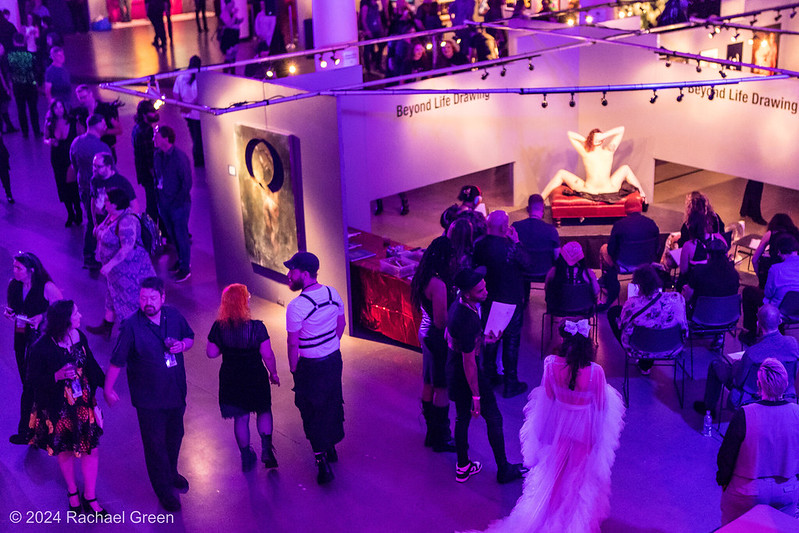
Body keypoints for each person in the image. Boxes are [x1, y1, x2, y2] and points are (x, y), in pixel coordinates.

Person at [477, 320, 625, 532]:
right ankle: (571, 519)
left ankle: (550, 509)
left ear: (564, 340)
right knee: (578, 474)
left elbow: (546, 399)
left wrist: (541, 432)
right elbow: (601, 407)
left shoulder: (551, 364)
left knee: (556, 472)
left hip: (560, 426)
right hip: (584, 429)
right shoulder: (596, 372)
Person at [105, 276, 194, 512]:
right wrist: (108, 389)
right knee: (155, 445)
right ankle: (163, 490)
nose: (148, 302)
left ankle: (171, 473)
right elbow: (117, 361)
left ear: (163, 297)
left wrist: (183, 345)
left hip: (175, 392)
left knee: (175, 437)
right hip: (149, 400)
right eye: (143, 298)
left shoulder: (173, 315)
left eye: (153, 298)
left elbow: (190, 337)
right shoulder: (131, 326)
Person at [445, 267, 527, 484]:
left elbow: (450, 336)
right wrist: (476, 395)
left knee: (461, 418)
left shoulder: (458, 303)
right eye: (480, 290)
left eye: (485, 287)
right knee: (494, 417)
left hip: (453, 369)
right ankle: (503, 469)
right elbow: (469, 362)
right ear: (468, 293)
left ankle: (463, 467)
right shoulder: (467, 319)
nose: (486, 292)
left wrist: (482, 339)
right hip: (466, 375)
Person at [26, 300, 107, 515]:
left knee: (92, 448)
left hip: (83, 402)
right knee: (66, 450)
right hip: (59, 407)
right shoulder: (41, 347)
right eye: (76, 313)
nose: (80, 315)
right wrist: (56, 376)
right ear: (64, 320)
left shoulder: (78, 336)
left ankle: (90, 496)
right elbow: (32, 380)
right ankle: (72, 491)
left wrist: (104, 390)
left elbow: (90, 365)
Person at [284, 252, 346, 484]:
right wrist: (330, 344)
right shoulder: (332, 293)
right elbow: (341, 324)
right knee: (332, 402)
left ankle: (322, 461)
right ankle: (330, 447)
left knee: (310, 410)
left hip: (310, 366)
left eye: (293, 271)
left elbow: (293, 343)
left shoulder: (297, 306)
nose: (289, 275)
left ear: (305, 274)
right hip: (333, 360)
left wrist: (293, 369)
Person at [716, 358, 799, 524]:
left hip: (748, 490)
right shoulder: (797, 413)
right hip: (787, 489)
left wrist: (723, 480)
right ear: (786, 383)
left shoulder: (744, 414)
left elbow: (726, 455)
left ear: (759, 385)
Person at [207, 284, 280, 471]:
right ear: (242, 302)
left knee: (241, 417)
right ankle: (267, 451)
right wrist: (273, 373)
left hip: (231, 378)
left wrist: (227, 347)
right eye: (247, 296)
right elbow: (268, 354)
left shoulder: (219, 327)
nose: (249, 298)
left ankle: (246, 456)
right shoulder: (257, 328)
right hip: (255, 376)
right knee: (263, 410)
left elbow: (211, 353)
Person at [694, 305, 799, 417]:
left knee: (715, 365)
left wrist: (737, 366)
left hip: (753, 398)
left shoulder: (752, 353)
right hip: (783, 394)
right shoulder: (793, 344)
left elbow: (738, 382)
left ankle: (708, 409)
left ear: (758, 324)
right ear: (780, 321)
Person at [5, 252, 62, 444]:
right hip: (21, 337)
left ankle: (27, 431)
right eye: (14, 267)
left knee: (30, 386)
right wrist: (10, 312)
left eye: (18, 268)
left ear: (31, 270)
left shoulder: (46, 287)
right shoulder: (14, 285)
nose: (14, 271)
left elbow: (61, 310)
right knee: (28, 384)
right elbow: (14, 307)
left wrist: (43, 316)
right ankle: (36, 429)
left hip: (40, 342)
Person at [472, 210, 528, 397]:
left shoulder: (479, 245)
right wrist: (517, 242)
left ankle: (489, 378)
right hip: (511, 300)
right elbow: (528, 264)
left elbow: (475, 268)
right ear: (505, 227)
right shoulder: (511, 246)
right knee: (511, 342)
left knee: (490, 338)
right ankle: (510, 383)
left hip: (489, 298)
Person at [88, 188, 155, 339]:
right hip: (116, 273)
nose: (104, 203)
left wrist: (109, 266)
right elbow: (100, 231)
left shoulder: (127, 221)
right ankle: (107, 327)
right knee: (112, 295)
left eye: (107, 201)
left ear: (115, 204)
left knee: (128, 302)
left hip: (129, 271)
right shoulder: (112, 215)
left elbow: (126, 248)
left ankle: (136, 336)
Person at [410, 236, 456, 452]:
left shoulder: (423, 275)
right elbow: (441, 321)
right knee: (442, 387)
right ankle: (441, 436)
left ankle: (431, 432)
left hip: (425, 333)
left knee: (429, 381)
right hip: (437, 338)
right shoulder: (438, 284)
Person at [608, 265, 688, 374]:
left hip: (639, 350)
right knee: (655, 327)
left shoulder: (632, 304)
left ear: (638, 285)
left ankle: (644, 363)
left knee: (613, 312)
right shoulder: (677, 298)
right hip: (672, 347)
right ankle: (646, 364)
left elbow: (622, 326)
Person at [540, 127, 646, 203]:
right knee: (561, 173)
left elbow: (621, 129)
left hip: (600, 189)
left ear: (603, 139)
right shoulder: (587, 152)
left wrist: (602, 136)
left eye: (600, 137)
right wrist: (589, 140)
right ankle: (540, 200)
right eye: (595, 137)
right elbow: (570, 134)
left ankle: (642, 195)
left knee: (625, 168)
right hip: (595, 190)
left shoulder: (608, 150)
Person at [599, 196, 660, 306]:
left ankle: (608, 283)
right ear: (640, 208)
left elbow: (611, 250)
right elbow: (657, 247)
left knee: (604, 248)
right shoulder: (651, 223)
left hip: (623, 265)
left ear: (626, 209)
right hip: (646, 263)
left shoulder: (619, 225)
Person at [69, 114, 111, 270]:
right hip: (100, 191)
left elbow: (74, 164)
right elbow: (110, 172)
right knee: (100, 221)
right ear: (97, 125)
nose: (105, 126)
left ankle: (89, 255)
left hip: (84, 187)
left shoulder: (76, 142)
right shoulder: (102, 148)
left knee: (92, 218)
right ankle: (93, 254)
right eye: (103, 123)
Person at [741, 234, 799, 344]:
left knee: (748, 292)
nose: (778, 254)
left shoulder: (776, 269)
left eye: (779, 252)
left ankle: (751, 332)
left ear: (781, 251)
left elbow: (768, 293)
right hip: (797, 310)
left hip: (780, 310)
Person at [153, 125, 193, 282]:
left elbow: (186, 183)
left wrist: (177, 203)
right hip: (164, 203)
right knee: (172, 235)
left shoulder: (179, 158)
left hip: (178, 205)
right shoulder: (157, 155)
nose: (154, 139)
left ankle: (185, 267)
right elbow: (157, 177)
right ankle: (181, 260)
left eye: (157, 136)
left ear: (166, 138)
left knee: (181, 234)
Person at [512, 193, 560, 302]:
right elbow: (557, 256)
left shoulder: (516, 227)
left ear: (527, 209)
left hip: (522, 272)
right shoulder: (551, 230)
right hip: (545, 272)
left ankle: (524, 299)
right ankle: (551, 300)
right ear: (543, 209)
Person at [44, 98, 81, 226]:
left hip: (71, 157)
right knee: (62, 185)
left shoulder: (72, 121)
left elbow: (80, 135)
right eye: (56, 108)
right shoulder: (50, 123)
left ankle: (78, 210)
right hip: (57, 158)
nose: (59, 110)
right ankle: (70, 213)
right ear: (52, 110)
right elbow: (45, 138)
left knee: (72, 184)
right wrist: (50, 142)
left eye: (61, 107)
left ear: (64, 108)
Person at [131, 99, 160, 227]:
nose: (155, 114)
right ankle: (151, 230)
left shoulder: (136, 128)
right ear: (144, 114)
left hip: (143, 173)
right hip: (150, 175)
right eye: (152, 112)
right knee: (154, 204)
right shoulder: (147, 131)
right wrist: (156, 176)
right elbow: (149, 156)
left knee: (151, 201)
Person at [7, 32, 42, 138]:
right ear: (24, 41)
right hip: (30, 85)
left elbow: (8, 71)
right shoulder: (30, 55)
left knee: (21, 109)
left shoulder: (10, 56)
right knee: (33, 109)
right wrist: (37, 82)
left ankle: (25, 132)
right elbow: (37, 70)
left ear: (14, 41)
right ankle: (36, 131)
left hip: (17, 86)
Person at [74, 85, 122, 160]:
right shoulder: (82, 113)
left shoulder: (106, 108)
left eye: (85, 97)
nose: (83, 100)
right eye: (80, 98)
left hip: (107, 150)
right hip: (91, 152)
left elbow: (119, 130)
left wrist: (104, 132)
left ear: (91, 94)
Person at [172, 56, 205, 168]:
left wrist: (183, 106)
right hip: (198, 114)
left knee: (194, 136)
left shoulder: (181, 77)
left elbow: (176, 93)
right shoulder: (201, 78)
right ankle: (199, 161)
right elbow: (200, 96)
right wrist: (191, 106)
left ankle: (198, 160)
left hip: (186, 113)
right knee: (198, 138)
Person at [752, 213, 799, 289]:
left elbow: (754, 259)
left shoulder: (771, 234)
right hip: (794, 272)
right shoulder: (796, 234)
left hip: (775, 272)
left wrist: (760, 277)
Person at [360, 0, 387, 73]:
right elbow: (363, 20)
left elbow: (378, 18)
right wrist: (367, 30)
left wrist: (381, 29)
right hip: (370, 31)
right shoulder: (365, 6)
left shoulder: (376, 5)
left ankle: (378, 65)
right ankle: (368, 68)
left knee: (381, 46)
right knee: (367, 50)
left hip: (376, 30)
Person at [0, 43, 18, 133]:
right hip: (1, 87)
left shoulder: (2, 59)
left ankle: (8, 126)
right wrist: (6, 87)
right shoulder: (1, 60)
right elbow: (1, 75)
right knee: (4, 106)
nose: (3, 49)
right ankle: (8, 126)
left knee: (3, 106)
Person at [219, 0, 243, 65]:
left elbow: (234, 21)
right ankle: (227, 69)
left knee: (234, 54)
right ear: (228, 4)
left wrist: (239, 21)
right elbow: (229, 24)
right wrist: (234, 14)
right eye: (232, 3)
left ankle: (233, 69)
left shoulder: (231, 12)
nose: (233, 5)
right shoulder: (224, 13)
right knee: (229, 55)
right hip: (229, 36)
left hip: (235, 35)